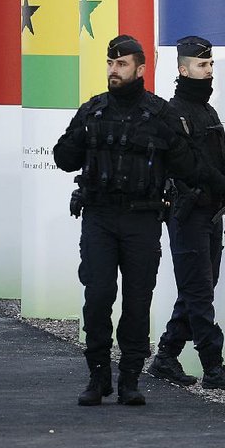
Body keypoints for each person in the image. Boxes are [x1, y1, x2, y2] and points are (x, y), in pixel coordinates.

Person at [53, 35, 201, 407]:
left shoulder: (160, 113)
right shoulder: (94, 111)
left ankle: (130, 378)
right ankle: (98, 375)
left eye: (121, 64)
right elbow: (63, 157)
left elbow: (187, 165)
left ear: (140, 68)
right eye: (110, 64)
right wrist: (83, 137)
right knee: (98, 297)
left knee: (138, 301)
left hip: (142, 220)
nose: (113, 70)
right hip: (100, 217)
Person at [147, 36, 225, 391]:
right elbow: (187, 167)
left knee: (199, 287)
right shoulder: (172, 114)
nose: (208, 72)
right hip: (186, 214)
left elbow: (223, 164)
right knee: (199, 291)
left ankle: (167, 355)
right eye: (202, 66)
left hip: (210, 214)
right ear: (182, 69)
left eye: (211, 65)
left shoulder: (208, 113)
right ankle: (213, 366)